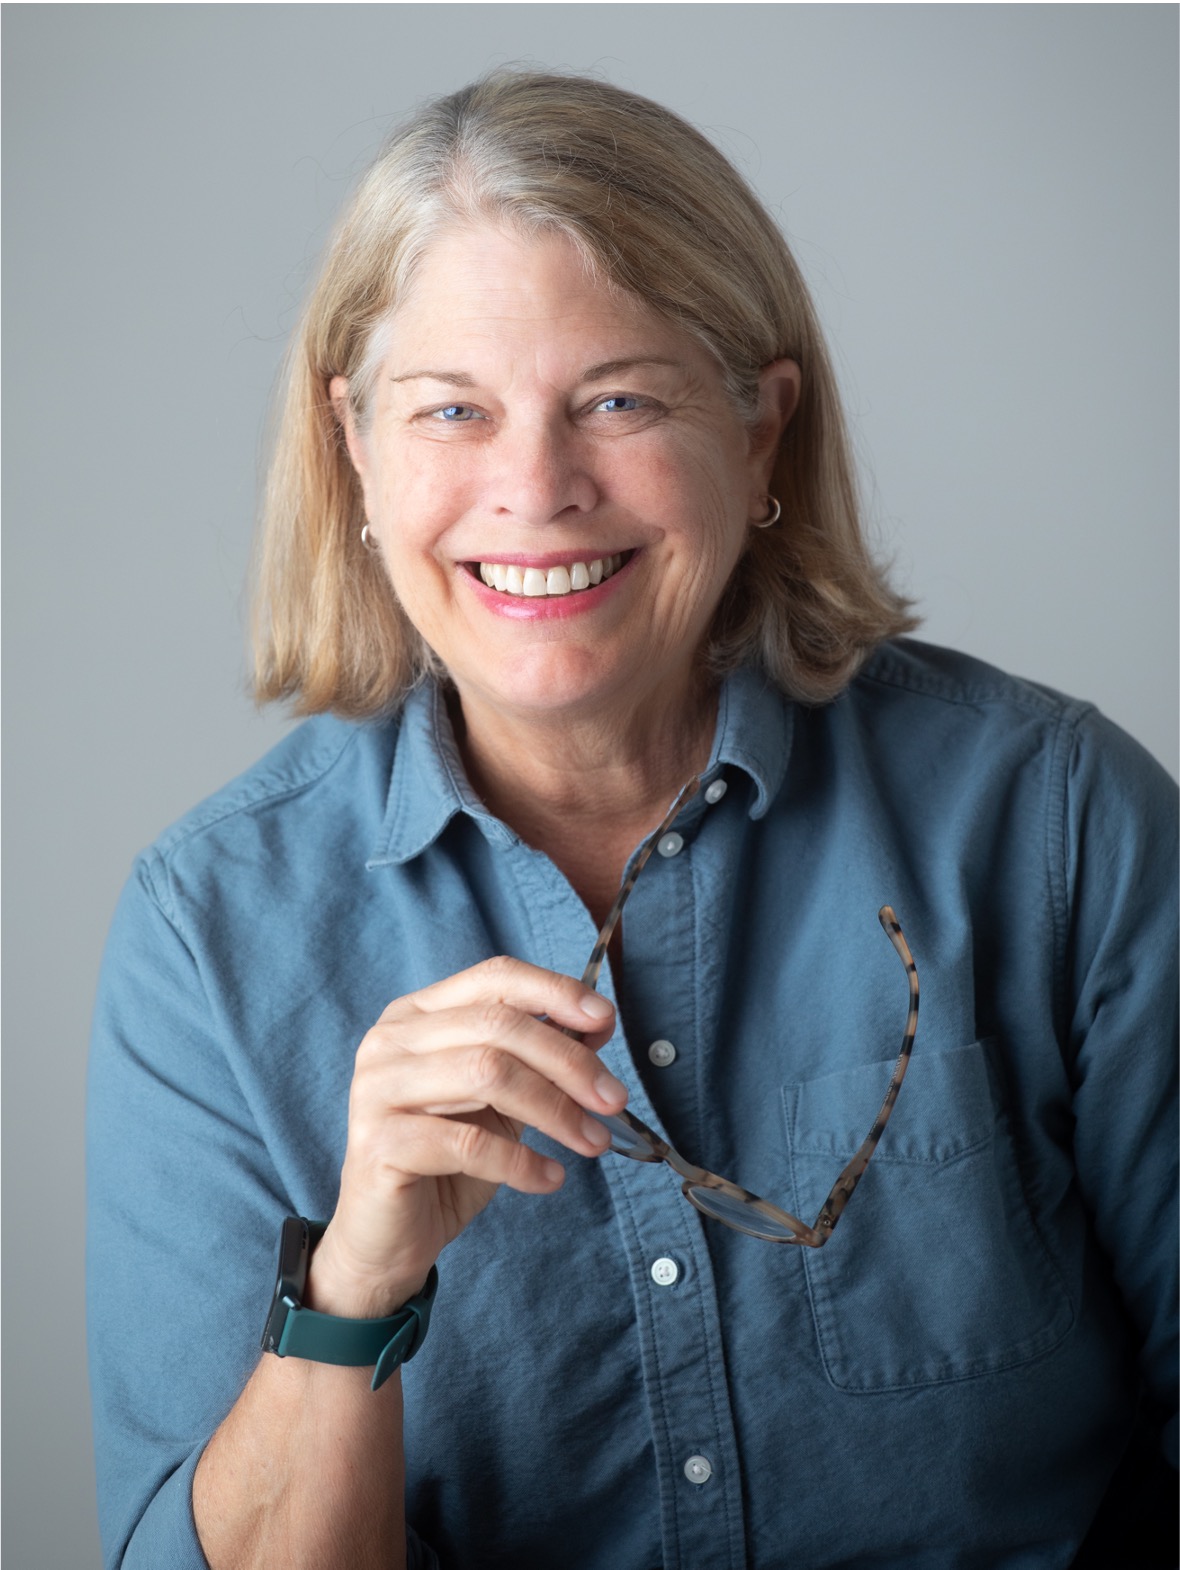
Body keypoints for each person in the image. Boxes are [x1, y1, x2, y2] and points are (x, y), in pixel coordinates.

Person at [86, 70, 1177, 1570]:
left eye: (619, 398)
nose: (535, 489)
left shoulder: (1057, 822)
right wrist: (355, 1282)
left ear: (762, 430)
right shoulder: (205, 937)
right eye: (452, 410)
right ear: (354, 449)